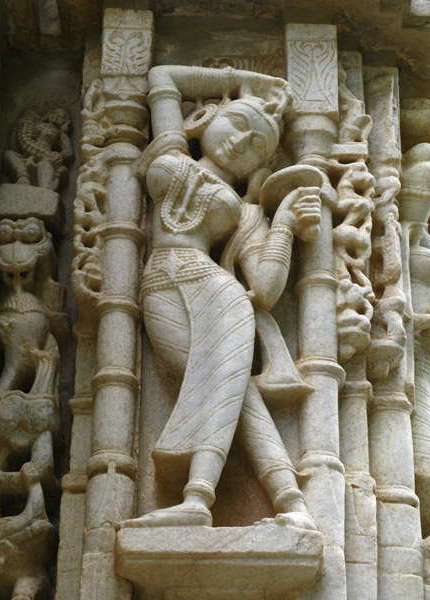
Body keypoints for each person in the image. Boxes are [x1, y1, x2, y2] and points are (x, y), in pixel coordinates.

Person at [122, 66, 322, 529]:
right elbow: (163, 77)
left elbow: (265, 291)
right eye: (238, 123)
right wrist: (244, 80)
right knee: (232, 387)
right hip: (161, 284)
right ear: (208, 115)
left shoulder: (247, 215)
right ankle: (290, 504)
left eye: (257, 146)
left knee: (228, 384)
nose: (241, 142)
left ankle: (201, 499)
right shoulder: (173, 152)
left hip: (217, 290)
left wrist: (284, 224)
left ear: (259, 168)